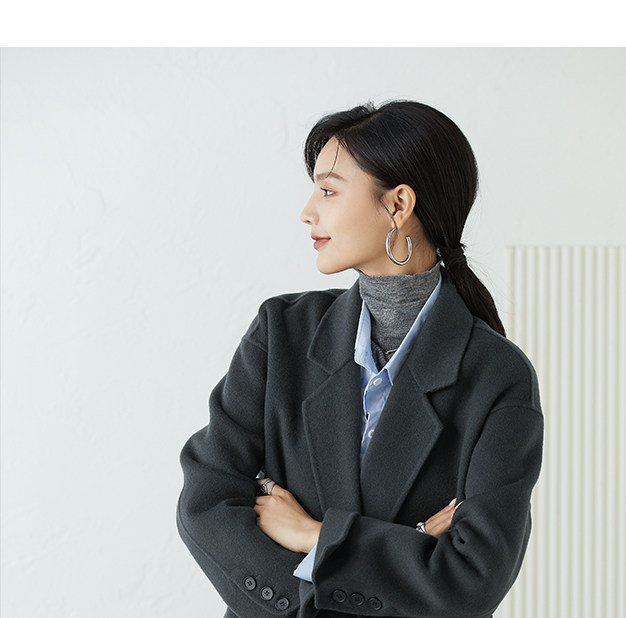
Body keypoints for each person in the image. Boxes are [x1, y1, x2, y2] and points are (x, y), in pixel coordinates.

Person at [176, 99, 544, 618]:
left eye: (328, 190)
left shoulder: (498, 376)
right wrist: (409, 543)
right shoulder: (280, 333)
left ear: (398, 205)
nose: (308, 211)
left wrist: (316, 535)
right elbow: (205, 503)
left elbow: (471, 581)